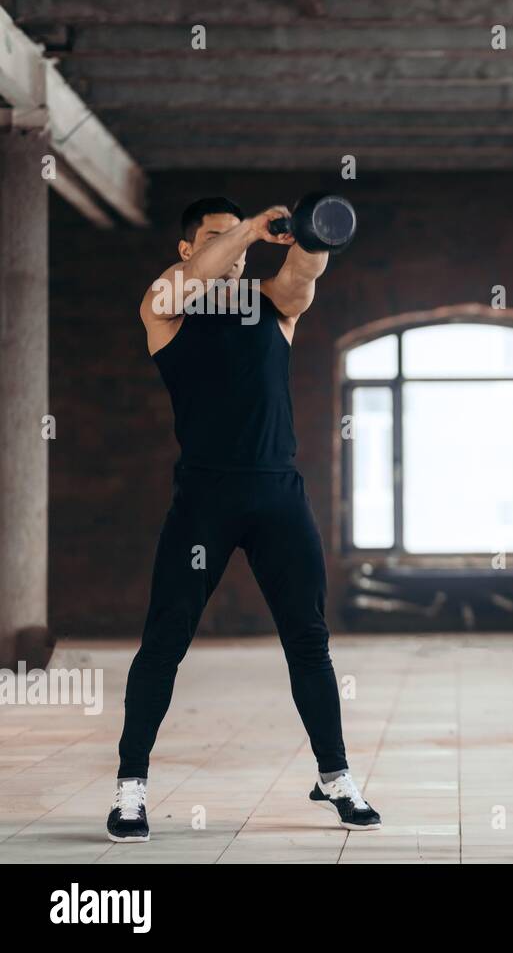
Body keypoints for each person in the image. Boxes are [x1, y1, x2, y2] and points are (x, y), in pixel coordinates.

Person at [107, 197, 380, 843]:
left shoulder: (271, 304)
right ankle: (130, 788)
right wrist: (250, 231)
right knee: (164, 642)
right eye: (216, 239)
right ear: (187, 249)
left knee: (308, 640)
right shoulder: (165, 309)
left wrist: (312, 235)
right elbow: (184, 284)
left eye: (240, 239)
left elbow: (302, 275)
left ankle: (334, 775)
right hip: (203, 499)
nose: (236, 248)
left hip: (278, 496)